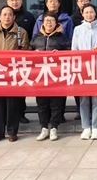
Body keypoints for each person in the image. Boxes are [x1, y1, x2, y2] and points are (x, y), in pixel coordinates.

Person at [0, 5, 30, 142]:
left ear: (14, 17)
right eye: (4, 14)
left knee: (12, 104)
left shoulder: (21, 32)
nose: (7, 17)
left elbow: (26, 52)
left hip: (14, 73)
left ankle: (12, 131)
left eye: (10, 14)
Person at [30, 13, 71, 142]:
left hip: (56, 76)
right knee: (41, 103)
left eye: (52, 21)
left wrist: (60, 54)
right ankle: (44, 127)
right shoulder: (37, 37)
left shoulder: (62, 37)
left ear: (56, 23)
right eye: (47, 20)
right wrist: (33, 53)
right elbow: (28, 52)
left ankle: (54, 127)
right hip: (40, 76)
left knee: (56, 103)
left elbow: (70, 52)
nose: (49, 23)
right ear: (42, 22)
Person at [72, 3, 97, 140]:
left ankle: (96, 127)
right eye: (86, 12)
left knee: (96, 100)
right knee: (83, 100)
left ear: (95, 13)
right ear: (82, 14)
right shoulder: (77, 29)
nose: (89, 14)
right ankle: (86, 127)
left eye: (91, 12)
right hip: (83, 68)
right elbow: (74, 49)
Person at [6, 0, 35, 125]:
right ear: (7, 1)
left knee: (21, 87)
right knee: (7, 88)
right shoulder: (2, 16)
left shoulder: (29, 16)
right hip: (5, 61)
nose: (15, 2)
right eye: (12, 0)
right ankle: (7, 115)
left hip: (22, 59)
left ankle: (21, 114)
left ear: (21, 1)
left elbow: (33, 36)